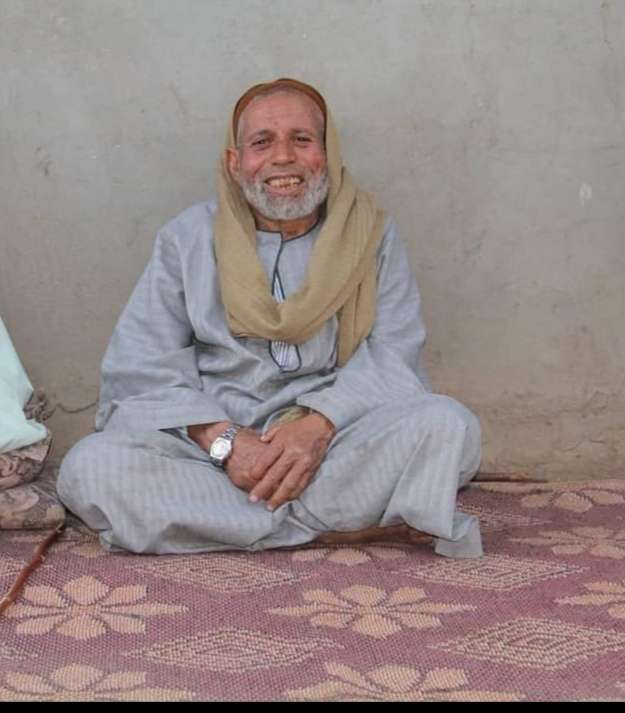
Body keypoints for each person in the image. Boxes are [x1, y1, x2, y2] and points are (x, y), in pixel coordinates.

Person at [57, 78, 483, 558]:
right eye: (262, 142)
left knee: (451, 427)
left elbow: (394, 354)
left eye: (302, 139)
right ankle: (328, 524)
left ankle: (240, 524)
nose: (284, 157)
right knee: (89, 469)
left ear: (328, 153)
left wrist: (318, 425)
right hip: (214, 454)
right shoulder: (187, 239)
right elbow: (140, 367)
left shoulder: (371, 234)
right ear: (235, 162)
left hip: (333, 444)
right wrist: (225, 442)